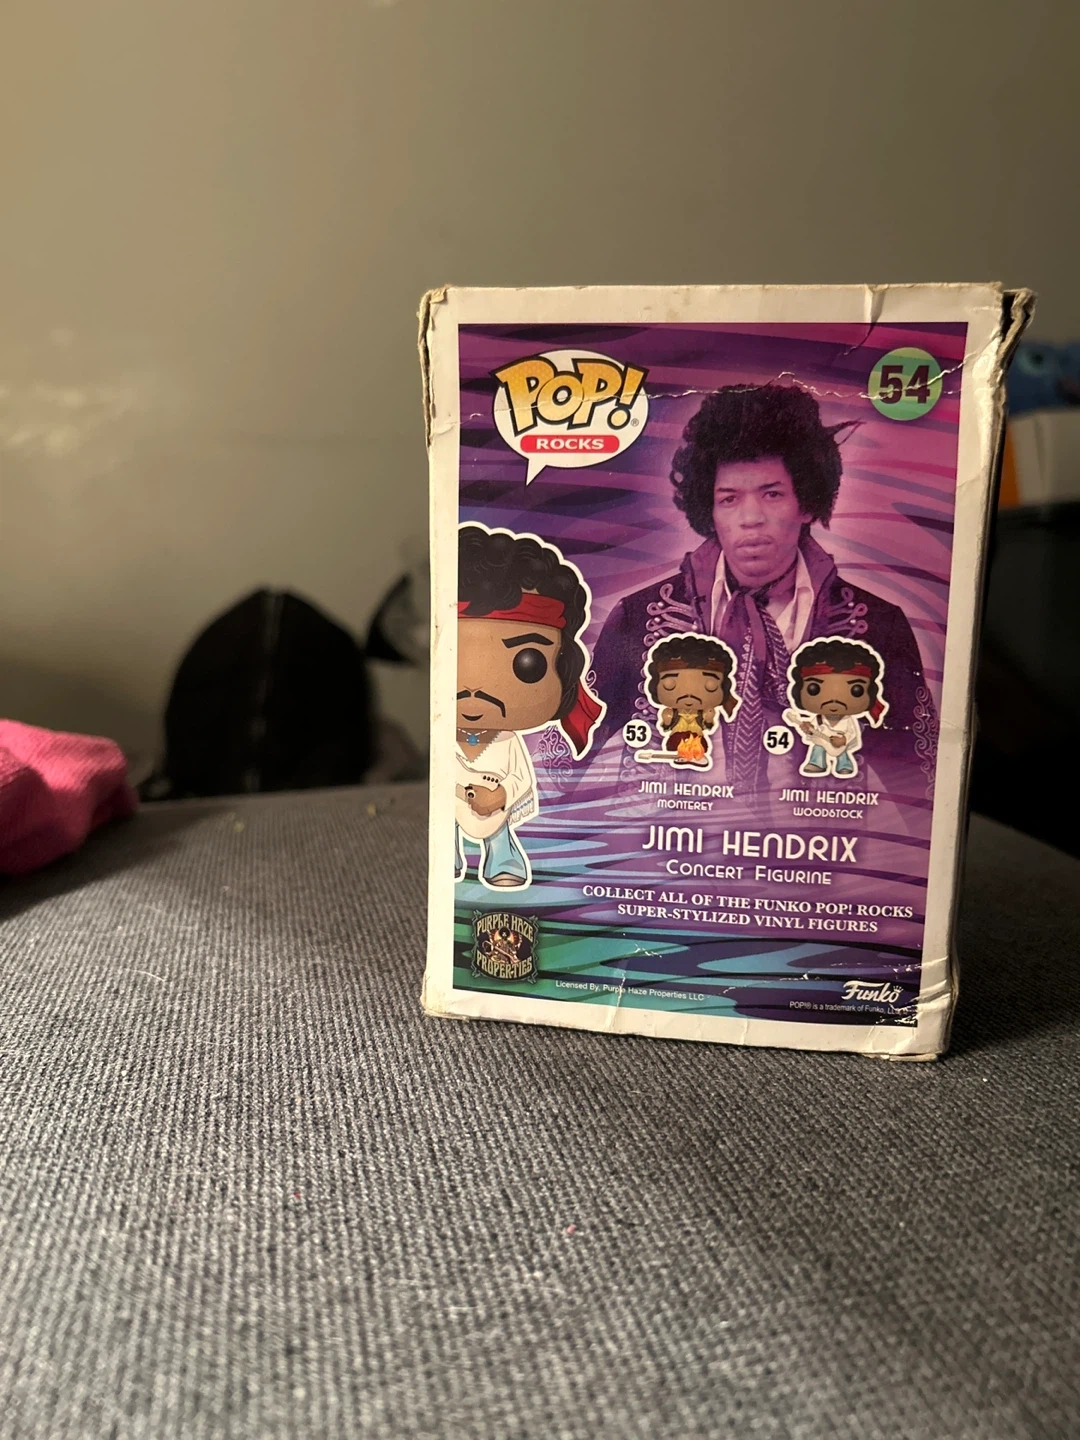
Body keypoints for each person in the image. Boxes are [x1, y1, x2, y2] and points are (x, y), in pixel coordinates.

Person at [591, 383, 932, 789]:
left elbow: (922, 787)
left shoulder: (876, 626)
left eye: (772, 494)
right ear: (709, 510)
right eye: (729, 499)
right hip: (666, 825)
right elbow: (560, 762)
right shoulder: (640, 617)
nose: (750, 518)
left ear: (806, 503)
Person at [455, 523, 603, 888]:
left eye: (528, 662)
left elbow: (520, 778)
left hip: (493, 805)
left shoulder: (506, 742)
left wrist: (500, 794)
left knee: (498, 828)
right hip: (453, 802)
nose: (475, 690)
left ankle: (501, 857)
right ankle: (449, 855)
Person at [783, 637, 887, 780]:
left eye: (856, 690)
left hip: (841, 744)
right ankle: (817, 763)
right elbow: (813, 731)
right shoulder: (819, 718)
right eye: (814, 689)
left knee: (842, 752)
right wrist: (808, 729)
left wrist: (844, 739)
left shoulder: (847, 720)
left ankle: (844, 765)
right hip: (822, 741)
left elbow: (851, 733)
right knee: (818, 746)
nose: (834, 701)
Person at [633, 633, 740, 770]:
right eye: (670, 684)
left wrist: (708, 718)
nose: (689, 694)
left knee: (700, 745)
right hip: (676, 736)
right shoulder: (672, 711)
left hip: (698, 737)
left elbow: (707, 724)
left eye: (710, 685)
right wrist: (667, 719)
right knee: (675, 743)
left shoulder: (705, 713)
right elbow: (667, 725)